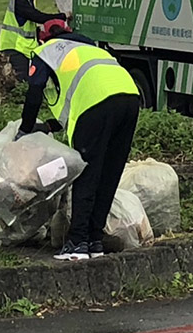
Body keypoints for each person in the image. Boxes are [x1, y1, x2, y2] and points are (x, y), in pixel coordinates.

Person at [17, 21, 140, 261]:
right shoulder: (90, 49)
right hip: (130, 98)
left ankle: (77, 244)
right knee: (109, 173)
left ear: (43, 38)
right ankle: (94, 240)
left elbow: (34, 91)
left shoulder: (47, 51)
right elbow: (76, 96)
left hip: (96, 103)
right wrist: (49, 126)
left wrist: (24, 129)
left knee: (87, 173)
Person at [0, 0, 66, 80]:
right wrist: (60, 17)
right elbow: (36, 16)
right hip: (15, 48)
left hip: (23, 49)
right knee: (21, 81)